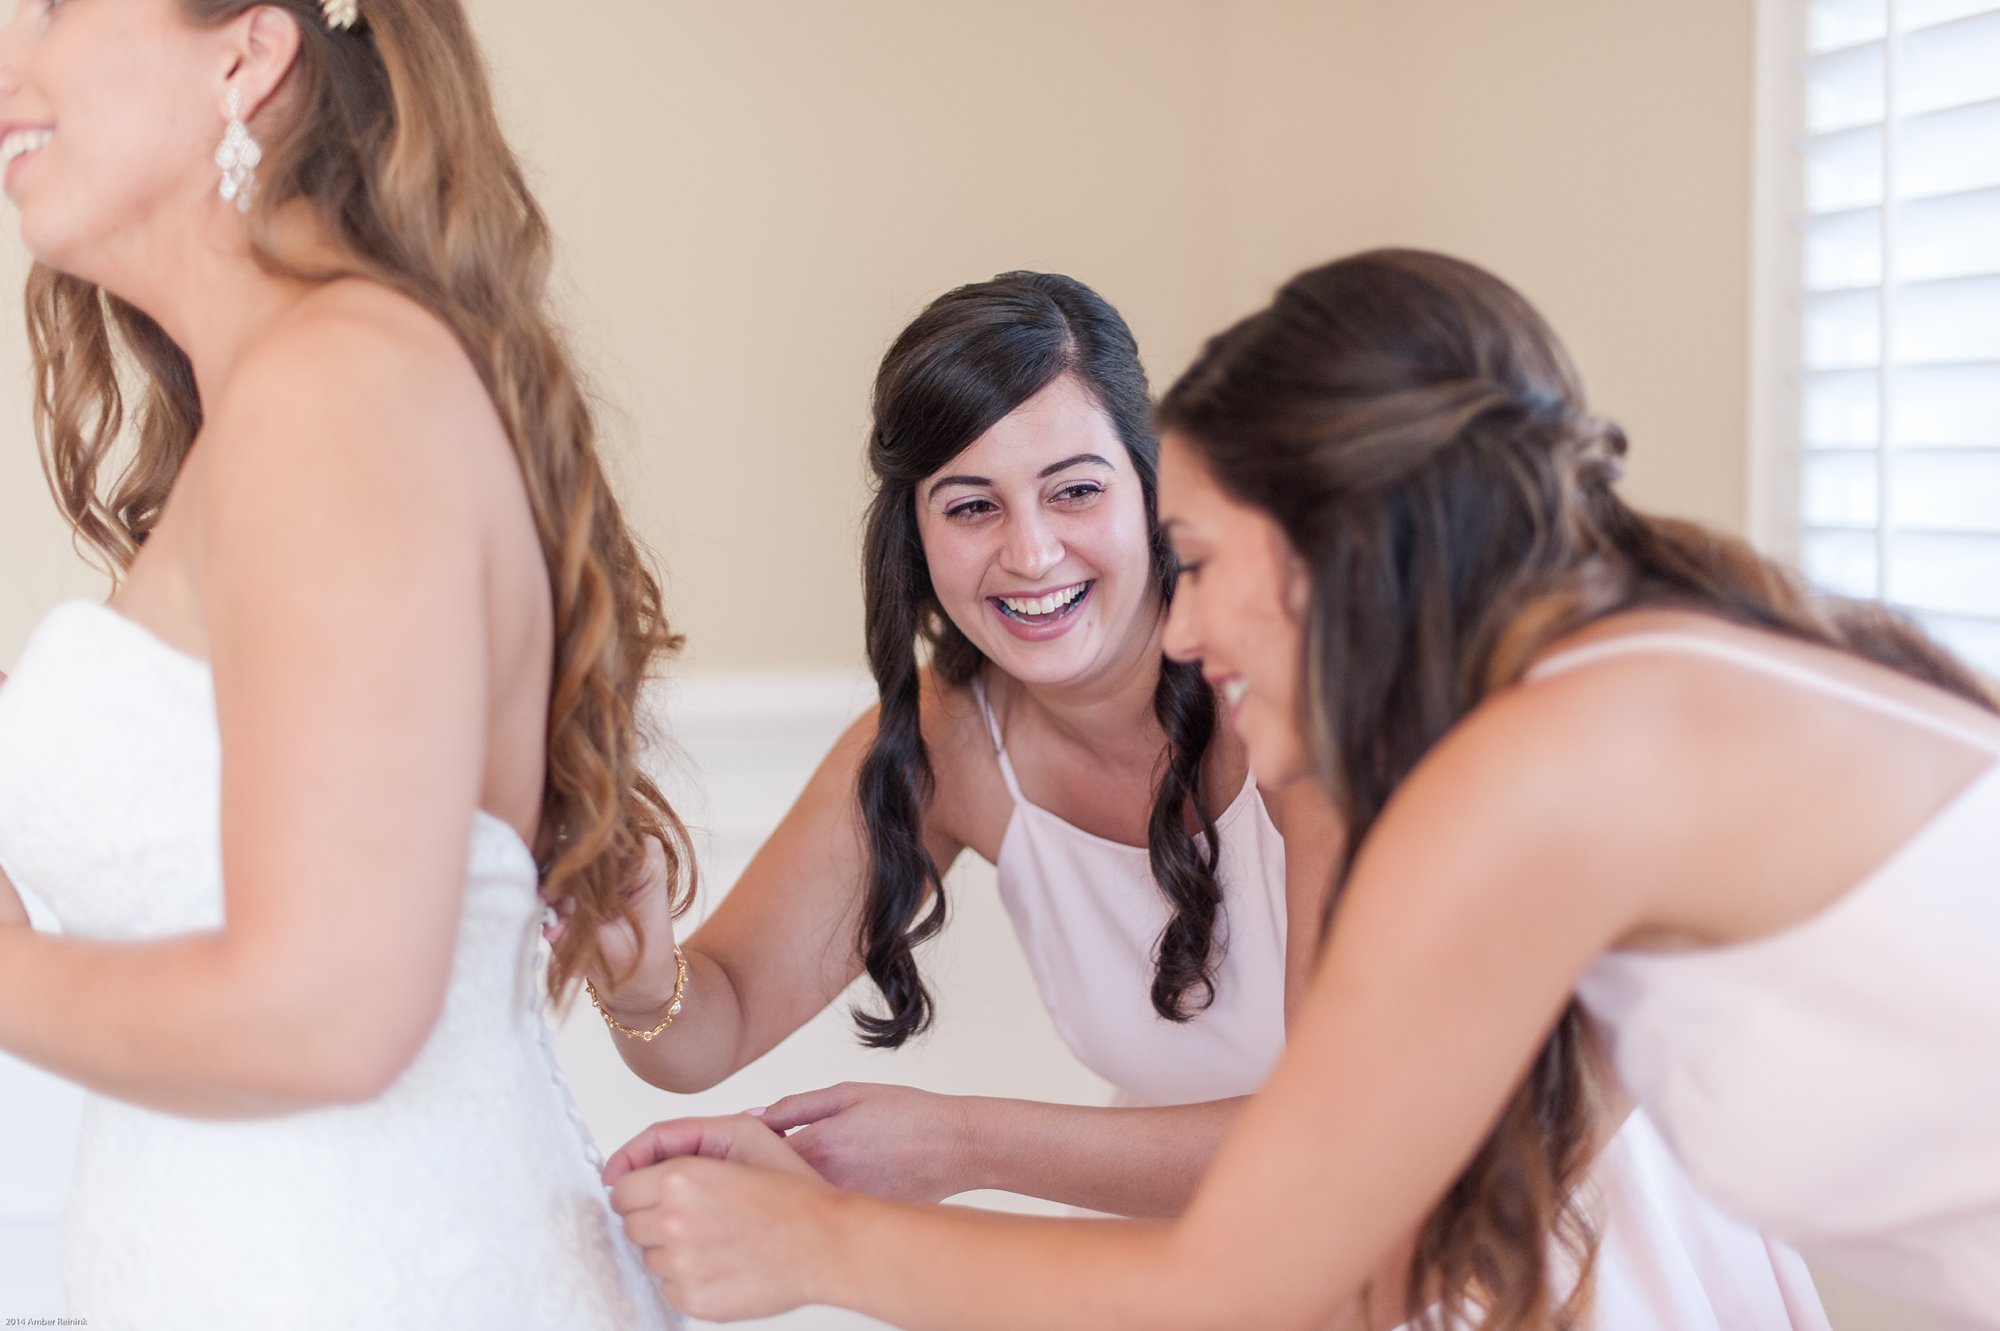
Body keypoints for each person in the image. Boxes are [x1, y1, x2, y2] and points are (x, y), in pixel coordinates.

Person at [602, 250, 1997, 1330]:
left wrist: (824, 1244)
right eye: (971, 505)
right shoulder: (1614, 700)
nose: (1186, 632)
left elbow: (1286, 1271)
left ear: (1338, 540)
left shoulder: (1554, 763)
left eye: (1194, 557)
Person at [0, 1, 684, 1326]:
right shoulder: (299, 393)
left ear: (247, 55)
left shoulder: (338, 388)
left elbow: (331, 1009)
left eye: (61, 6)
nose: (6, 57)